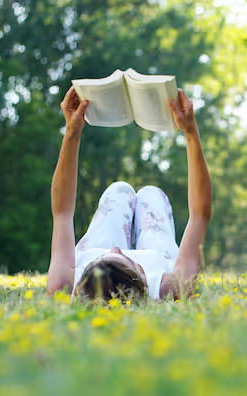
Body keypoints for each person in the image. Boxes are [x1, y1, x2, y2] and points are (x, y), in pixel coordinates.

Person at [45, 86, 212, 302]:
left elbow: (62, 212)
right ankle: (130, 251)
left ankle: (111, 253)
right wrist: (190, 133)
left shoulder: (64, 284)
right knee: (152, 195)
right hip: (158, 258)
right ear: (144, 278)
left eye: (107, 256)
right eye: (125, 257)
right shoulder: (168, 287)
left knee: (119, 191)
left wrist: (72, 132)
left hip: (100, 257)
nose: (118, 248)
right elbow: (200, 214)